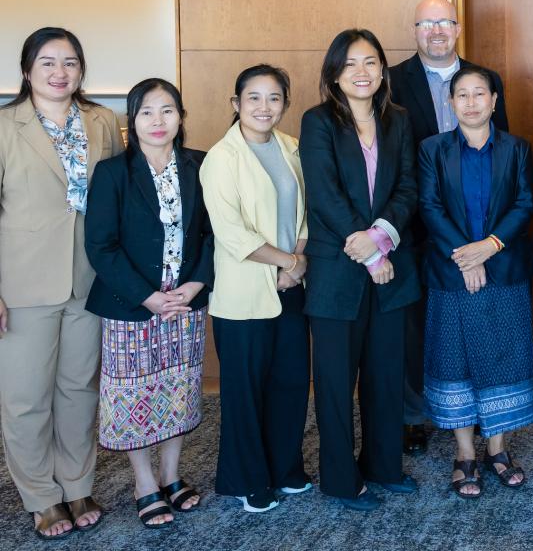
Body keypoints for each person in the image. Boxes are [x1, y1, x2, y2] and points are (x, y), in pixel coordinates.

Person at [0, 27, 121, 539]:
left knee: (79, 389)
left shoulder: (103, 122)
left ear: (81, 70)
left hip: (89, 278)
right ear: (27, 70)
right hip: (22, 282)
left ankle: (76, 484)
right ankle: (41, 497)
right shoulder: (6, 125)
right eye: (47, 62)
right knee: (26, 395)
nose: (59, 72)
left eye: (69, 62)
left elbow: (118, 199)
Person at [300, 28, 421, 511]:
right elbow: (324, 193)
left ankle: (384, 466)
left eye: (370, 62)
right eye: (350, 64)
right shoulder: (318, 122)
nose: (361, 72)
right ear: (334, 72)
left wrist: (383, 237)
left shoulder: (400, 120)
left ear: (383, 69)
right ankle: (340, 480)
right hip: (339, 272)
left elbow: (409, 185)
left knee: (385, 375)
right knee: (334, 380)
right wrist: (368, 252)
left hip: (392, 267)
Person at [84, 78, 213, 528]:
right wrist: (148, 296)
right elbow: (101, 246)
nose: (158, 121)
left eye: (168, 110)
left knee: (178, 389)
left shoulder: (200, 165)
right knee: (133, 394)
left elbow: (215, 234)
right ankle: (144, 484)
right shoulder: (113, 172)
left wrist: (196, 285)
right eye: (147, 112)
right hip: (132, 303)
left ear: (181, 116)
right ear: (131, 120)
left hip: (185, 301)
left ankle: (172, 476)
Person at [387, 0, 509, 453]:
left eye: (445, 22)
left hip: (476, 232)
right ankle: (415, 414)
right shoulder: (393, 80)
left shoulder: (484, 80)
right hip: (410, 225)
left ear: (458, 28)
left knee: (474, 320)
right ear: (415, 29)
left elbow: (502, 159)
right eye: (426, 23)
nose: (436, 30)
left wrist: (484, 241)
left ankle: (477, 410)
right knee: (414, 324)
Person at [417, 65, 533, 500]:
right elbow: (429, 207)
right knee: (455, 361)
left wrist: (489, 246)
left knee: (502, 360)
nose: (471, 102)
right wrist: (466, 257)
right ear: (451, 103)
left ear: (494, 100)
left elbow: (525, 202)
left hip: (503, 270)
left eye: (479, 94)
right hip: (451, 274)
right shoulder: (432, 149)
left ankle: (498, 451)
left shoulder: (516, 148)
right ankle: (464, 454)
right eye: (462, 95)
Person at [201, 64, 312, 513]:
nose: (264, 107)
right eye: (254, 98)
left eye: (274, 98)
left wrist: (298, 261)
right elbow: (232, 232)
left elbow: (305, 212)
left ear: (285, 103)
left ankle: (285, 469)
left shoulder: (291, 147)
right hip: (244, 294)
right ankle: (248, 479)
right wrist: (288, 261)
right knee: (245, 391)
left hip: (291, 286)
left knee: (289, 383)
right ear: (236, 104)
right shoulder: (221, 158)